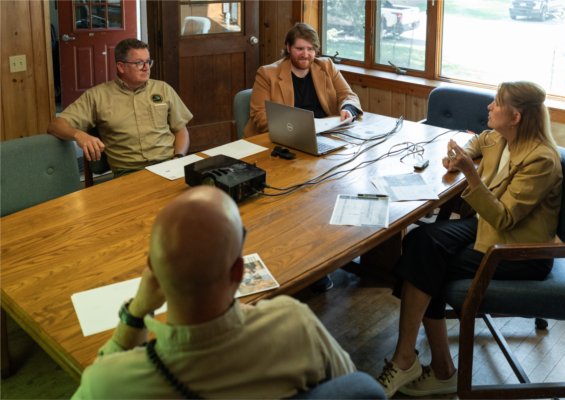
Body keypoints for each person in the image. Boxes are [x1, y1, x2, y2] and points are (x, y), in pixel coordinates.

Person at [72, 186, 356, 399]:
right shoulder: (295, 325)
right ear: (238, 272)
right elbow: (354, 387)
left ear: (151, 270)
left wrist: (136, 313)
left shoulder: (108, 383)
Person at [376, 81, 562, 398]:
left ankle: (414, 361)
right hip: (489, 229)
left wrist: (471, 174)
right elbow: (478, 142)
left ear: (515, 116)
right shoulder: (502, 139)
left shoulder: (541, 160)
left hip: (520, 251)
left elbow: (504, 217)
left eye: (496, 103)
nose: (489, 107)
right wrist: (458, 155)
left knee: (428, 259)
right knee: (421, 241)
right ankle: (432, 366)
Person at [48, 38, 193, 177]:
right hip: (129, 172)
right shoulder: (97, 96)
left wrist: (178, 158)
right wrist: (79, 135)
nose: (146, 67)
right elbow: (55, 125)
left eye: (148, 62)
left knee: (202, 196)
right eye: (139, 63)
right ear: (121, 67)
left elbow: (180, 129)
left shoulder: (163, 89)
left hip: (168, 165)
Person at [244, 22, 363, 137]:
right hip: (285, 135)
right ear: (289, 48)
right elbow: (260, 115)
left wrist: (348, 109)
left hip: (324, 133)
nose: (305, 54)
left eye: (310, 49)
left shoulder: (326, 66)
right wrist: (298, 129)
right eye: (300, 49)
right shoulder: (267, 73)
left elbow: (348, 95)